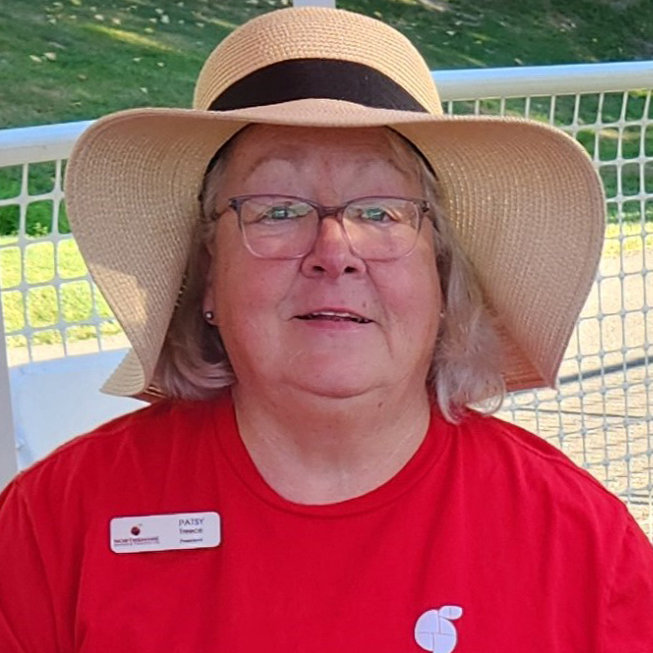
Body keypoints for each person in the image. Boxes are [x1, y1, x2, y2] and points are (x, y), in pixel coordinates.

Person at [1, 6, 652, 652]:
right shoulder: (54, 525)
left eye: (380, 210)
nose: (333, 248)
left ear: (442, 281)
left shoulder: (580, 546)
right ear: (205, 279)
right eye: (276, 208)